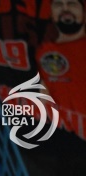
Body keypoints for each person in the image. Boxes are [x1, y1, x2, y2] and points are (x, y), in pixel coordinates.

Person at [36, 0, 86, 137]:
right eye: (58, 4)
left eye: (72, 4)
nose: (65, 9)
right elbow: (44, 94)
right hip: (63, 137)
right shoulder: (43, 51)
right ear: (51, 13)